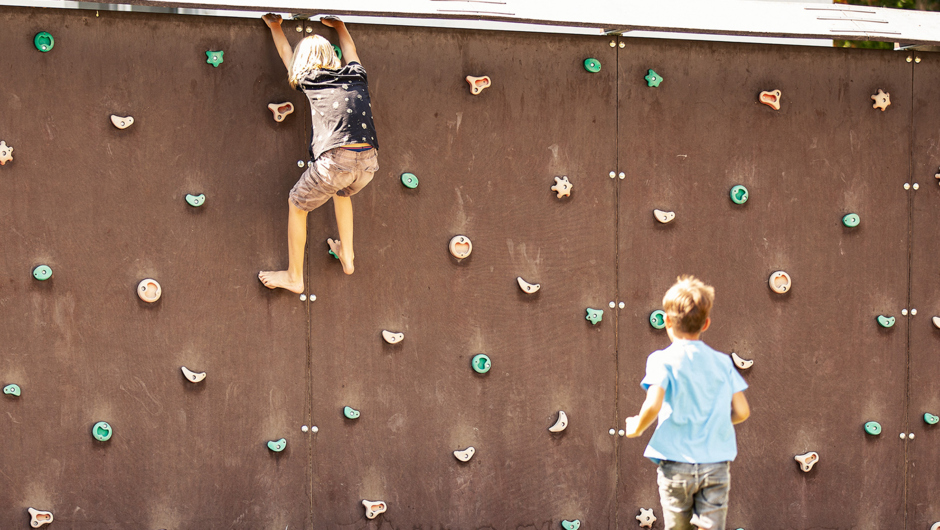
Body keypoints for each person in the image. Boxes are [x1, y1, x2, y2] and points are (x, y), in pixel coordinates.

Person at [259, 14, 378, 293]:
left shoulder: (311, 78)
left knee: (297, 204)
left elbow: (286, 53)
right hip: (369, 161)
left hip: (336, 159)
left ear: (304, 63)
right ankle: (347, 256)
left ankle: (294, 276)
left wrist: (275, 26)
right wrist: (340, 27)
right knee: (343, 192)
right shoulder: (356, 75)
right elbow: (351, 51)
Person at [625, 275, 750, 530]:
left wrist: (636, 427)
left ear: (667, 321)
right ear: (706, 324)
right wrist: (717, 420)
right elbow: (742, 411)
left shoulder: (662, 360)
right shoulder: (723, 362)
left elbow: (653, 405)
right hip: (715, 464)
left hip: (675, 463)